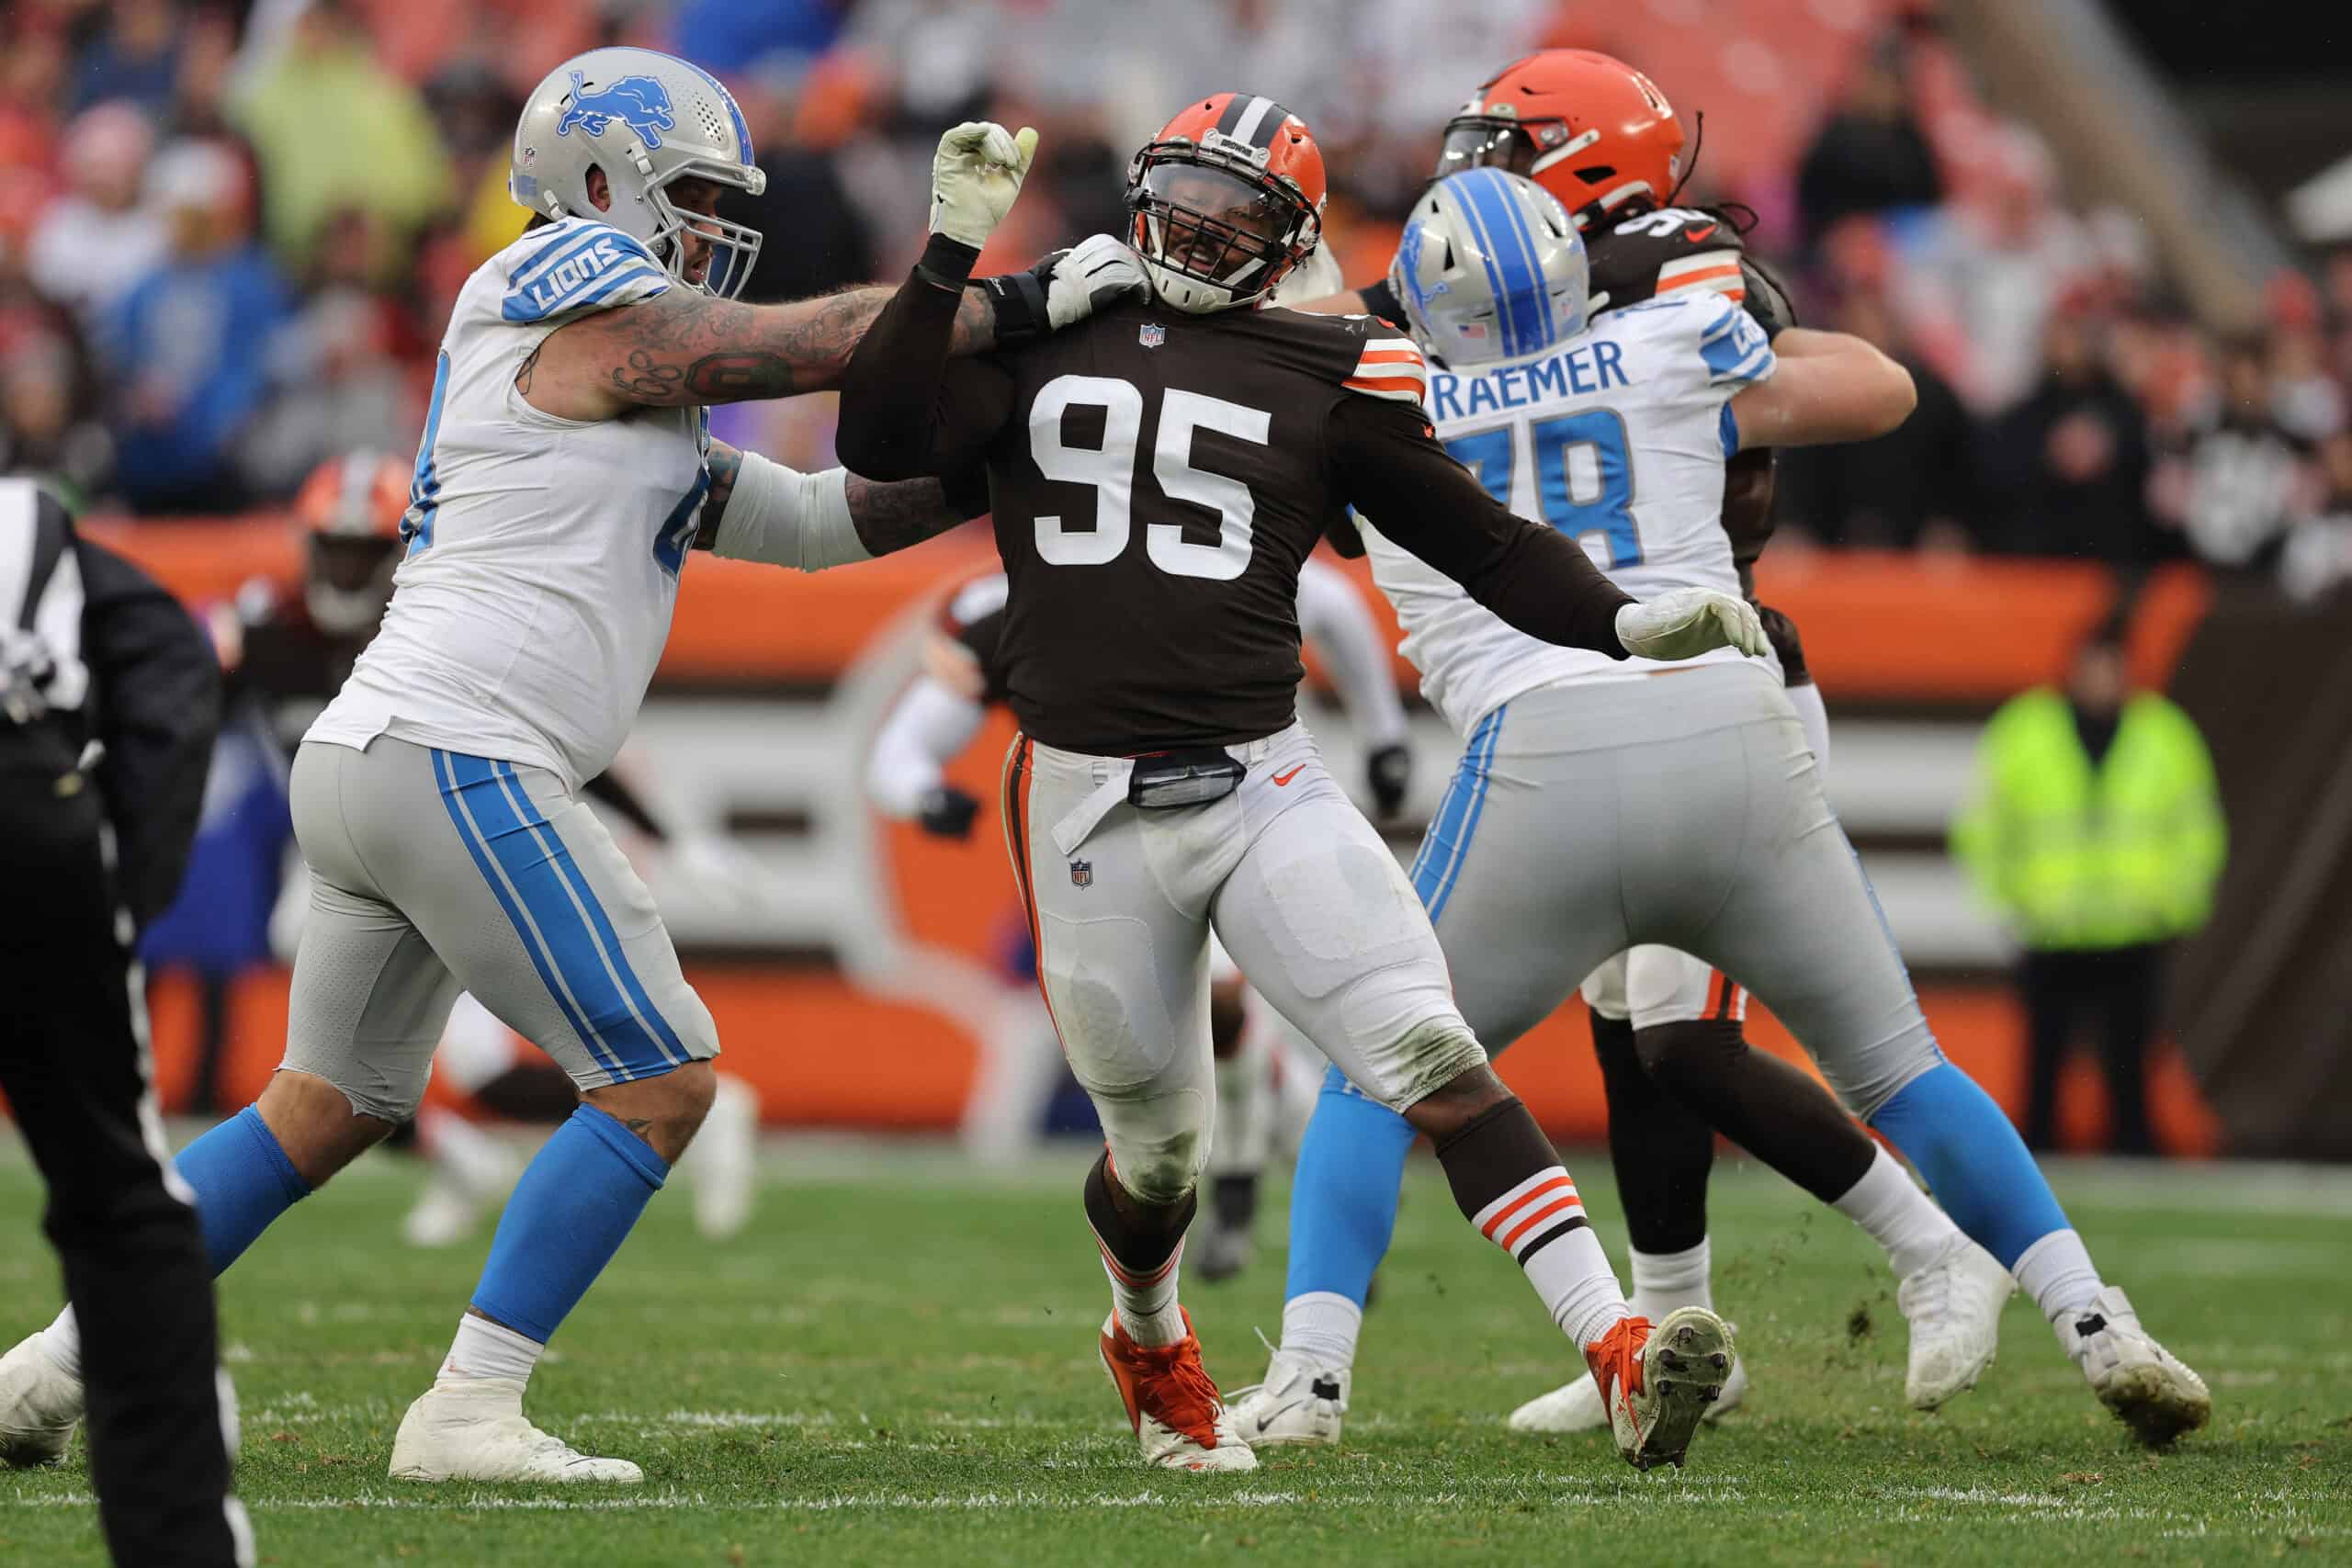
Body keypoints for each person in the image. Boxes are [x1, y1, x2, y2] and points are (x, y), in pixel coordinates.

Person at [0, 44, 1133, 1486]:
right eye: (702, 194)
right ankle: (468, 1407)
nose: (724, 225)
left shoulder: (621, 385)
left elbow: (820, 521)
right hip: (460, 748)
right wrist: (1015, 302)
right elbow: (783, 351)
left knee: (320, 1106)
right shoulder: (558, 283)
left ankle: (50, 1363)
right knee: (660, 1078)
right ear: (602, 183)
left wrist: (1010, 452)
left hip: (386, 750)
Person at [838, 102, 1768, 1474]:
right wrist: (959, 263)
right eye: (1187, 192)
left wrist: (1623, 622)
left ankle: (1619, 1343)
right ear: (1145, 190)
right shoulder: (1052, 323)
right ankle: (1147, 1332)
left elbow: (1486, 542)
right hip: (1089, 798)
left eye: (1237, 205)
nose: (1204, 224)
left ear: (1289, 242)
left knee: (1431, 1051)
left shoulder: (1335, 361)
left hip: (1261, 779)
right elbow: (877, 432)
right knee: (1157, 1157)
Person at [1236, 158, 2210, 1453]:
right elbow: (1863, 386)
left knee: (1380, 1077)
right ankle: (2100, 1322)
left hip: (1545, 764)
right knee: (1905, 1068)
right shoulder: (1675, 333)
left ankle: (1310, 1383)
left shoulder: (1374, 391)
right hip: (1729, 732)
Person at [1273, 48, 2007, 1437]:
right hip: (1568, 711)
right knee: (1630, 1033)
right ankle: (1680, 1327)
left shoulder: (1664, 287)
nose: (1469, 170)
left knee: (1677, 1043)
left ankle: (1935, 1248)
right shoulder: (1468, 300)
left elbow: (1873, 387)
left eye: (1504, 145)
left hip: (1703, 690)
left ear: (1581, 167)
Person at [865, 557, 1409, 1272]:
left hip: (1235, 812)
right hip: (1093, 852)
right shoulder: (1004, 603)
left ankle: (1259, 1206)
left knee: (1221, 1003)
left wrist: (1383, 733)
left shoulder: (1205, 540)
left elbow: (1331, 604)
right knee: (1126, 1056)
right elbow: (901, 749)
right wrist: (921, 793)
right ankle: (1312, 1217)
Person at [0, 479, 254, 1566]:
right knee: (117, 1204)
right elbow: (173, 665)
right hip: (23, 809)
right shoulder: (25, 521)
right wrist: (122, 892)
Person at [1951, 620, 2227, 1155]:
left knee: (2129, 1059)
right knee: (2044, 1058)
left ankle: (2132, 1153)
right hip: (2052, 924)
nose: (2102, 679)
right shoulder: (2027, 730)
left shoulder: (2164, 734)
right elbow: (1984, 821)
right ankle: (2040, 1155)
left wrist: (2177, 904)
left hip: (2134, 926)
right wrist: (2008, 898)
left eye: (2112, 667)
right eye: (2094, 666)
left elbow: (2196, 826)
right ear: (2073, 670)